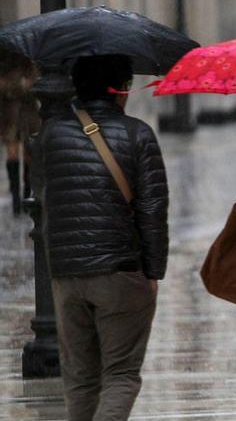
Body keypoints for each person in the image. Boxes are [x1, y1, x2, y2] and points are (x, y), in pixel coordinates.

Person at [39, 54, 167, 420]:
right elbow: (153, 211)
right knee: (121, 375)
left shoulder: (51, 134)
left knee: (79, 379)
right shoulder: (138, 134)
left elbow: (44, 199)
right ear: (121, 89)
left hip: (67, 273)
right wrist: (154, 271)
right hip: (119, 269)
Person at [0, 47, 39, 215]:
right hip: (9, 117)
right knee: (13, 155)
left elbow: (33, 85)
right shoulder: (4, 64)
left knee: (29, 156)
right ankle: (16, 197)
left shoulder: (29, 64)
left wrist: (18, 86)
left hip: (28, 116)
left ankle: (26, 194)